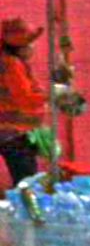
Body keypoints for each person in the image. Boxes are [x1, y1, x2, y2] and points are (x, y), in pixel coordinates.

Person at [0, 18, 46, 186]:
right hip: (13, 132)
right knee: (26, 182)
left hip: (8, 130)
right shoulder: (11, 64)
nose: (33, 47)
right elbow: (24, 98)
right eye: (30, 43)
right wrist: (51, 96)